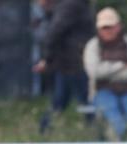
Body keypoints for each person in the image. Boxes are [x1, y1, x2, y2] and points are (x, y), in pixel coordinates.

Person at [82, 7, 127, 141]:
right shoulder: (93, 46)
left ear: (118, 26)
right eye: (104, 27)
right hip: (102, 91)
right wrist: (121, 66)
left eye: (110, 26)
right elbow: (94, 72)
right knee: (116, 120)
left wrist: (108, 73)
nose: (107, 31)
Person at [32, 0, 93, 134]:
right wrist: (47, 59)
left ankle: (45, 129)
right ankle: (98, 134)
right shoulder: (72, 5)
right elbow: (54, 32)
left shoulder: (69, 6)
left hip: (68, 62)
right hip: (74, 62)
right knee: (87, 101)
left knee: (61, 101)